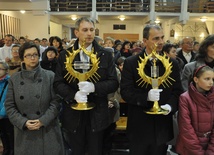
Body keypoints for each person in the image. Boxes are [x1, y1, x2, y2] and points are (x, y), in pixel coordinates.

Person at [53, 17, 119, 155]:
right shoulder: (65, 55)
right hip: (73, 113)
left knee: (96, 150)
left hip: (97, 113)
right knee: (77, 151)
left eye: (91, 30)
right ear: (76, 33)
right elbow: (58, 83)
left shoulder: (105, 55)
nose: (89, 33)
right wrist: (73, 95)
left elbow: (113, 82)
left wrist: (94, 87)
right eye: (85, 30)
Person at [120, 24, 183, 155]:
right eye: (155, 39)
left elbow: (177, 91)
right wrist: (146, 97)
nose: (160, 42)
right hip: (139, 125)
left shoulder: (172, 64)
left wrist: (170, 107)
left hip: (161, 125)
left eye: (162, 38)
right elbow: (126, 92)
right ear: (145, 41)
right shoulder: (131, 62)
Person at [5, 42, 64, 155]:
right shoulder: (14, 79)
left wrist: (43, 121)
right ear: (23, 57)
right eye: (28, 55)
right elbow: (9, 106)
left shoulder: (50, 76)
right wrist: (23, 122)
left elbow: (56, 102)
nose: (32, 58)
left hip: (47, 130)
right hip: (24, 132)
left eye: (35, 54)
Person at [176, 65, 214, 155]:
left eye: (213, 79)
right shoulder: (185, 98)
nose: (211, 82)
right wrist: (198, 152)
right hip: (189, 149)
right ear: (196, 79)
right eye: (207, 79)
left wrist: (211, 151)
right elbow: (186, 128)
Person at [0, 61, 14, 155]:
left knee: (10, 137)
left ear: (6, 70)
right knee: (3, 137)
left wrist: (2, 114)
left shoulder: (10, 82)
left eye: (0, 69)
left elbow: (8, 100)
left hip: (7, 116)